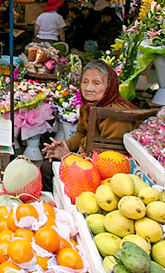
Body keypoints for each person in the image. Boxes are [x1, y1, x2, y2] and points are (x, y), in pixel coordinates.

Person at [40, 60, 137, 189]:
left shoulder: (115, 113)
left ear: (109, 86)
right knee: (48, 165)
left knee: (49, 168)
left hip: (111, 172)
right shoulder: (90, 106)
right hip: (90, 158)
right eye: (85, 82)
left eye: (96, 83)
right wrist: (65, 146)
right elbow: (82, 133)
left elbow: (109, 157)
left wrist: (71, 157)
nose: (89, 88)